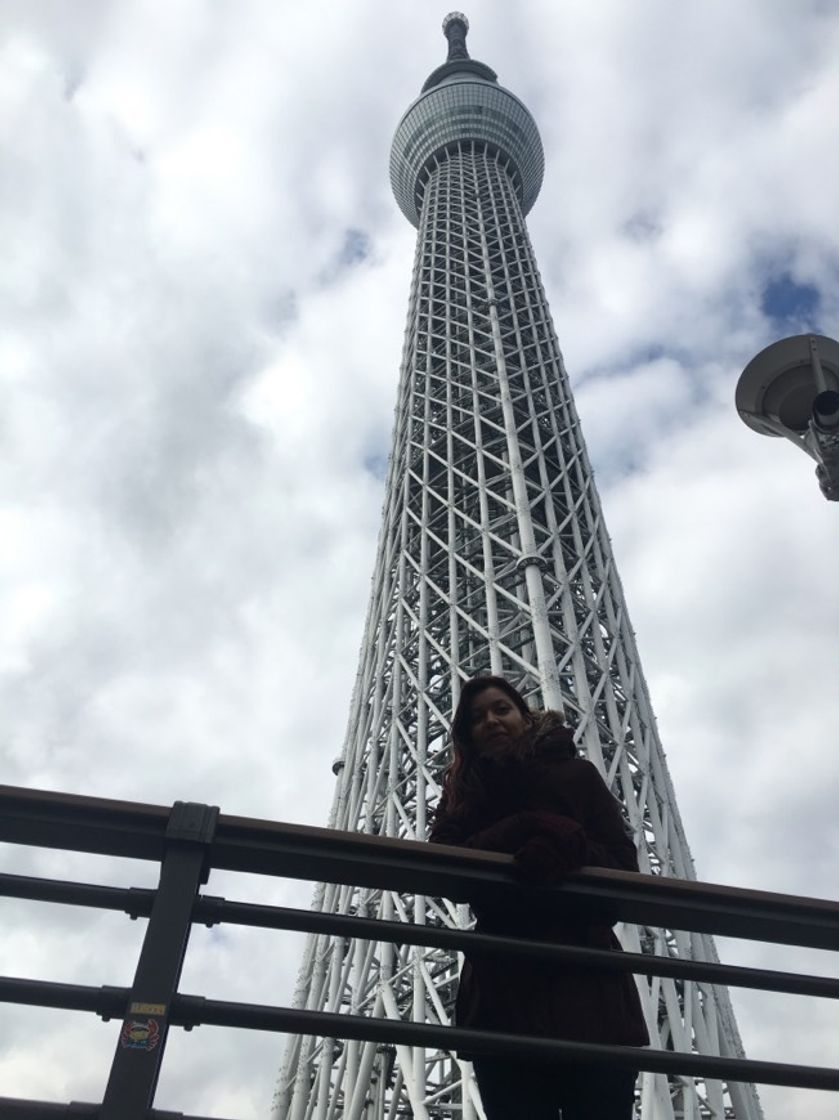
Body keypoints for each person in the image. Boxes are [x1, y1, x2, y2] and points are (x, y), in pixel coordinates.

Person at [428, 675, 649, 1120]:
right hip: (504, 993)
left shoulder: (576, 775)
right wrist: (524, 827)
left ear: (526, 717)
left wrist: (570, 845)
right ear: (465, 734)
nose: (491, 721)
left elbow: (624, 870)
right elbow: (442, 868)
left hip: (590, 992)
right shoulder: (464, 795)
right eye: (476, 718)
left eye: (501, 709)